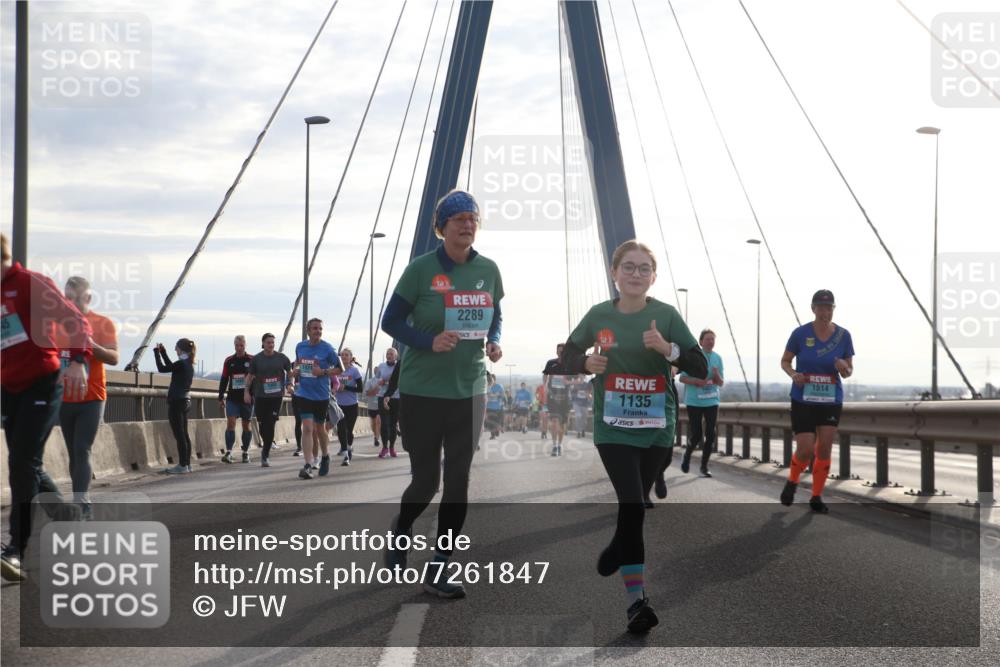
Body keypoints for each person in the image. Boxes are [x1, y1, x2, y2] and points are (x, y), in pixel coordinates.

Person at [560, 240, 705, 634]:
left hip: (658, 429)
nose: (636, 274)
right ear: (614, 273)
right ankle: (636, 603)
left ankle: (617, 546)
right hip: (613, 428)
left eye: (644, 268)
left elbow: (700, 365)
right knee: (634, 505)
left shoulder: (666, 315)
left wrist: (669, 348)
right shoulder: (598, 315)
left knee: (633, 508)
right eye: (629, 267)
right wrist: (584, 361)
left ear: (653, 277)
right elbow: (565, 354)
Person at [381, 189, 503, 599]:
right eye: (459, 219)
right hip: (421, 392)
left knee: (458, 480)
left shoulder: (488, 269)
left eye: (473, 218)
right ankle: (401, 528)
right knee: (426, 481)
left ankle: (439, 566)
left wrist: (494, 341)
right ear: (442, 226)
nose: (467, 225)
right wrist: (426, 341)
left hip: (470, 391)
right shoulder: (420, 269)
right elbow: (391, 320)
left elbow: (495, 313)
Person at [1, 234, 92, 582]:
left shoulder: (31, 283)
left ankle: (16, 550)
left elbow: (75, 321)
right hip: (9, 385)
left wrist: (78, 362)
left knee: (21, 462)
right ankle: (67, 516)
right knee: (29, 462)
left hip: (43, 380)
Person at [779, 290, 854, 514]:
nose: (825, 312)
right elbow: (785, 361)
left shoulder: (843, 335)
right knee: (804, 449)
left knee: (824, 448)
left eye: (829, 307)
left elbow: (849, 372)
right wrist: (794, 374)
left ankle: (816, 496)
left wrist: (844, 367)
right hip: (803, 398)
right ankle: (793, 481)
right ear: (813, 309)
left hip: (830, 399)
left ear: (833, 309)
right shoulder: (800, 334)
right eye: (821, 307)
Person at [57, 276, 118, 520]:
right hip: (64, 399)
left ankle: (81, 504)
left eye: (75, 298)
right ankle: (80, 498)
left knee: (82, 449)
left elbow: (114, 358)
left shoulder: (102, 323)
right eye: (66, 298)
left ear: (88, 298)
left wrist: (92, 346)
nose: (69, 303)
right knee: (73, 452)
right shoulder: (55, 326)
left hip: (92, 397)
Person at [292, 318, 342, 479]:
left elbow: (340, 368)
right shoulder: (300, 346)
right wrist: (296, 371)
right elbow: (297, 364)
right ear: (308, 330)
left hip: (321, 395)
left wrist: (323, 372)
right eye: (315, 328)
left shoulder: (327, 349)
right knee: (307, 428)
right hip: (304, 393)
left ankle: (326, 455)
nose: (318, 331)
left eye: (320, 328)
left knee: (320, 429)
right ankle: (308, 464)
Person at [678, 329, 724, 478]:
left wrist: (716, 374)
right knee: (697, 434)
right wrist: (696, 381)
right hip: (694, 401)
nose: (711, 341)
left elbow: (721, 382)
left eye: (713, 339)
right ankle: (687, 455)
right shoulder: (694, 357)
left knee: (711, 433)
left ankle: (704, 466)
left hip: (712, 399)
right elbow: (682, 378)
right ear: (701, 341)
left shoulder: (718, 358)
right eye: (708, 339)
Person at [244, 333, 293, 467]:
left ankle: (265, 454)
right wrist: (246, 392)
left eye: (272, 342)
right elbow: (249, 377)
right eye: (268, 342)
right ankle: (267, 443)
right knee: (262, 426)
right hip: (260, 396)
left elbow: (290, 373)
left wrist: (290, 384)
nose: (271, 345)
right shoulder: (257, 359)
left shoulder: (282, 358)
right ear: (263, 343)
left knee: (270, 424)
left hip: (276, 397)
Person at [154, 339, 196, 474]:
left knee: (179, 435)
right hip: (185, 401)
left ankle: (182, 465)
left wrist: (156, 353)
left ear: (181, 350)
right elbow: (172, 366)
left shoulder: (182, 363)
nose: (175, 350)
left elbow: (162, 368)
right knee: (184, 434)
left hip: (177, 402)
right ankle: (187, 464)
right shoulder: (187, 363)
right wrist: (164, 353)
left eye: (176, 348)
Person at [218, 335, 255, 464]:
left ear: (245, 345)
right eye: (237, 345)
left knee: (246, 425)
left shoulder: (251, 360)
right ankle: (228, 452)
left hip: (247, 398)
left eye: (242, 345)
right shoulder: (229, 360)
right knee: (231, 423)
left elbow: (256, 379)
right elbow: (224, 379)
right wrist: (220, 396)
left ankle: (245, 452)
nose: (239, 348)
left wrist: (253, 395)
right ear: (234, 346)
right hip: (232, 398)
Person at [335, 348, 364, 466]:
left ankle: (349, 447)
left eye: (346, 355)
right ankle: (346, 453)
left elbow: (360, 389)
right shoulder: (336, 370)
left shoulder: (354, 371)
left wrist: (345, 388)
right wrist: (335, 387)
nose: (344, 357)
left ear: (351, 357)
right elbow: (331, 384)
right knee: (341, 430)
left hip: (352, 405)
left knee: (348, 430)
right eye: (342, 355)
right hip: (338, 404)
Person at [543, 344, 572, 456]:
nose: (560, 353)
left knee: (563, 425)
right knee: (555, 422)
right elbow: (546, 375)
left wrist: (568, 382)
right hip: (553, 398)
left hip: (565, 399)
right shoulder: (551, 363)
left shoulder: (571, 364)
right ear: (556, 352)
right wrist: (545, 385)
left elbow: (579, 378)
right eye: (558, 351)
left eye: (562, 351)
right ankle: (555, 446)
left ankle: (560, 444)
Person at [375, 347, 401, 458]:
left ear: (396, 356)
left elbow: (400, 380)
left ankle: (392, 447)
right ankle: (385, 447)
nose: (389, 355)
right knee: (384, 423)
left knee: (393, 424)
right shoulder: (381, 366)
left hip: (396, 397)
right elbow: (376, 380)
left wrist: (388, 380)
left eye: (391, 354)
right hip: (382, 396)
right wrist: (381, 381)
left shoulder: (399, 366)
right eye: (387, 354)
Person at [364, 373, 382, 449]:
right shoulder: (370, 381)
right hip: (372, 406)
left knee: (378, 421)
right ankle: (375, 435)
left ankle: (377, 438)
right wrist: (374, 390)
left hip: (380, 406)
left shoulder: (385, 381)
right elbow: (366, 393)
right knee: (373, 423)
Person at [485, 373, 505, 439]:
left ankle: (496, 430)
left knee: (496, 421)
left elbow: (502, 395)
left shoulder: (499, 386)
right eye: (489, 380)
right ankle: (492, 435)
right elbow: (485, 395)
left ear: (494, 380)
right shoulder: (487, 387)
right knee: (490, 421)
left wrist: (494, 395)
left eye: (492, 379)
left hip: (497, 407)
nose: (490, 381)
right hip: (489, 406)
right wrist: (492, 395)